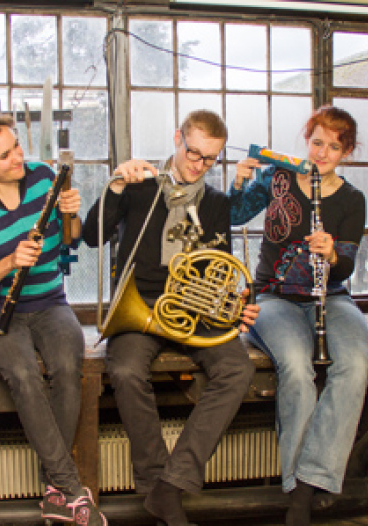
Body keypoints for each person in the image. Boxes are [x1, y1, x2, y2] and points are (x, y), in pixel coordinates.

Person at [81, 109, 258, 526]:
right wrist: (116, 184)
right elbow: (91, 236)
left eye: (210, 159)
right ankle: (155, 483)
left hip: (194, 309)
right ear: (178, 139)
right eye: (193, 153)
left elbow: (221, 267)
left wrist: (236, 304)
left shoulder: (216, 203)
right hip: (139, 304)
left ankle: (170, 486)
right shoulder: (139, 186)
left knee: (237, 368)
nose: (199, 165)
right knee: (125, 370)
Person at [0, 110, 106, 526]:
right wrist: (10, 262)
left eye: (16, 146)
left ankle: (55, 489)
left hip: (51, 302)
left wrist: (72, 213)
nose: (18, 158)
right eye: (5, 155)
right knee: (25, 375)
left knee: (68, 368)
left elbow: (71, 241)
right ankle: (69, 487)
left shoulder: (45, 178)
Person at [230, 106, 368, 526]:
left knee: (355, 366)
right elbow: (233, 215)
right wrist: (239, 181)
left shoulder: (352, 199)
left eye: (334, 147)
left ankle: (308, 481)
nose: (322, 153)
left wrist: (332, 254)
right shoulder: (279, 178)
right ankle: (300, 494)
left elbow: (346, 267)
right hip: (274, 298)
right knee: (295, 366)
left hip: (332, 297)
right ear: (306, 141)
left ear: (347, 152)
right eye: (317, 142)